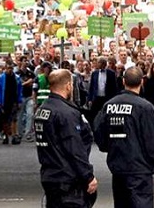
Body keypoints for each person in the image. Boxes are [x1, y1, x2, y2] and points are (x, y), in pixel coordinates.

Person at [94, 67, 154, 208]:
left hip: (118, 166)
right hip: (140, 168)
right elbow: (152, 140)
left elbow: (98, 130)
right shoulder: (145, 107)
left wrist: (108, 146)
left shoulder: (109, 106)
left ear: (123, 81)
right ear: (142, 82)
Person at [35, 69, 98, 208]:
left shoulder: (42, 109)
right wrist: (88, 176)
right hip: (67, 180)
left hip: (50, 175)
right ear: (68, 85)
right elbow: (74, 148)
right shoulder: (66, 113)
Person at [0, 60, 24, 145]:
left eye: (11, 68)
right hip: (4, 101)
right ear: (5, 68)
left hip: (13, 100)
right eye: (8, 68)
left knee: (14, 119)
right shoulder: (2, 77)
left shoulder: (17, 78)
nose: (9, 70)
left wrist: (19, 100)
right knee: (5, 120)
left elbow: (19, 90)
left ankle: (14, 136)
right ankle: (6, 135)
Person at [87, 57, 117, 123]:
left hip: (106, 98)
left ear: (103, 64)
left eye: (98, 62)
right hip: (96, 98)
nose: (96, 64)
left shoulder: (111, 73)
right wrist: (89, 99)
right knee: (94, 115)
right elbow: (91, 87)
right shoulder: (94, 73)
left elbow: (114, 88)